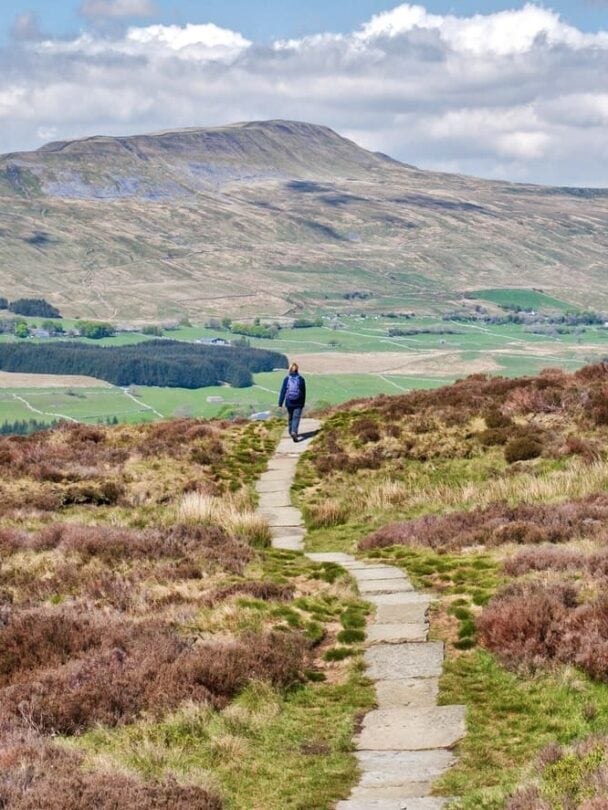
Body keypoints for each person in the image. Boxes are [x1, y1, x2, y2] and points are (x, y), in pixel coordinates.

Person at [278, 362, 306, 442]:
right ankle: (294, 432)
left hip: (289, 402)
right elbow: (303, 392)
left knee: (290, 417)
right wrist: (302, 403)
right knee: (296, 418)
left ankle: (291, 432)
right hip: (299, 402)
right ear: (297, 370)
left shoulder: (287, 379)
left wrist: (280, 403)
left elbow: (283, 391)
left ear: (289, 370)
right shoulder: (301, 379)